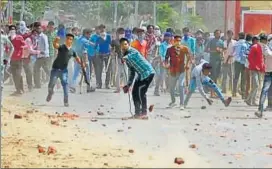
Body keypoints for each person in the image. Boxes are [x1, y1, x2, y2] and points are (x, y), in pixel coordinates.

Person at [120, 37, 155, 119]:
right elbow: (132, 72)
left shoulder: (132, 51)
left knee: (141, 92)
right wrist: (128, 85)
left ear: (128, 44)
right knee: (134, 93)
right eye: (122, 45)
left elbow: (133, 55)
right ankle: (137, 113)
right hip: (141, 75)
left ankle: (144, 113)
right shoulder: (126, 57)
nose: (124, 46)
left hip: (148, 73)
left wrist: (125, 58)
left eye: (125, 44)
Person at [46, 33, 84, 107]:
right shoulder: (62, 47)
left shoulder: (72, 51)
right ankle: (50, 93)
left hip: (64, 70)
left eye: (70, 39)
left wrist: (82, 64)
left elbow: (77, 58)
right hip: (55, 69)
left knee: (65, 85)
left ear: (72, 41)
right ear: (65, 39)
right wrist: (56, 40)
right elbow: (55, 45)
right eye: (67, 39)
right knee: (51, 84)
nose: (69, 40)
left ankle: (66, 100)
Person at [164, 35, 190, 110]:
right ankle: (173, 101)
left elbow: (189, 57)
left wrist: (187, 64)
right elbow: (166, 58)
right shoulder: (169, 49)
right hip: (173, 71)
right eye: (176, 41)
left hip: (181, 70)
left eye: (179, 40)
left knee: (181, 85)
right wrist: (166, 64)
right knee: (171, 87)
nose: (178, 42)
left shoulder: (184, 48)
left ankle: (182, 104)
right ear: (173, 41)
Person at [255, 34, 272, 118]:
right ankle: (260, 109)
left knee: (266, 91)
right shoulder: (264, 47)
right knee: (265, 90)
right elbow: (268, 54)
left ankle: (265, 107)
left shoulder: (264, 46)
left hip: (268, 71)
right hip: (269, 71)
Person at [205, 29, 224, 98]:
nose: (217, 35)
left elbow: (223, 49)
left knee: (217, 76)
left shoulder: (221, 41)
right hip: (213, 61)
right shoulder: (211, 41)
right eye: (216, 33)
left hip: (219, 61)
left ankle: (215, 92)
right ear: (214, 34)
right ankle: (212, 93)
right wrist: (214, 51)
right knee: (212, 76)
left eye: (219, 33)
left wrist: (221, 51)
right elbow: (206, 50)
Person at [8, 25, 26, 96]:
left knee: (18, 74)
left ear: (15, 30)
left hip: (19, 59)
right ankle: (18, 90)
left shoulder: (19, 37)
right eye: (11, 29)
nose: (12, 30)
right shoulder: (8, 38)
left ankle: (21, 89)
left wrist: (21, 48)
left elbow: (25, 45)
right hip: (11, 59)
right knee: (14, 75)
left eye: (13, 29)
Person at [245, 36, 263, 106]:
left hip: (257, 68)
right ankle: (251, 100)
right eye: (257, 40)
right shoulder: (251, 47)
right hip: (252, 68)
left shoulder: (258, 47)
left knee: (257, 85)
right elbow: (248, 57)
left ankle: (250, 100)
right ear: (254, 41)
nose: (259, 41)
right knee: (255, 84)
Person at [94, 24, 112, 89]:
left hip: (107, 55)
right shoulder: (98, 38)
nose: (102, 30)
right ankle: (99, 84)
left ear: (105, 29)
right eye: (100, 29)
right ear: (99, 30)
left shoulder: (108, 37)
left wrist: (111, 50)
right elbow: (95, 46)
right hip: (100, 55)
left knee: (108, 70)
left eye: (103, 28)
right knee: (99, 70)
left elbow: (111, 45)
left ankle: (107, 84)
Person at [111, 27, 127, 93]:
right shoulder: (114, 41)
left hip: (126, 59)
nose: (121, 34)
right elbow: (112, 50)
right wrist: (113, 53)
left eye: (123, 33)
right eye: (120, 33)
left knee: (126, 73)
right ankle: (118, 88)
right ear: (117, 33)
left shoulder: (126, 41)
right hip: (118, 58)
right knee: (118, 73)